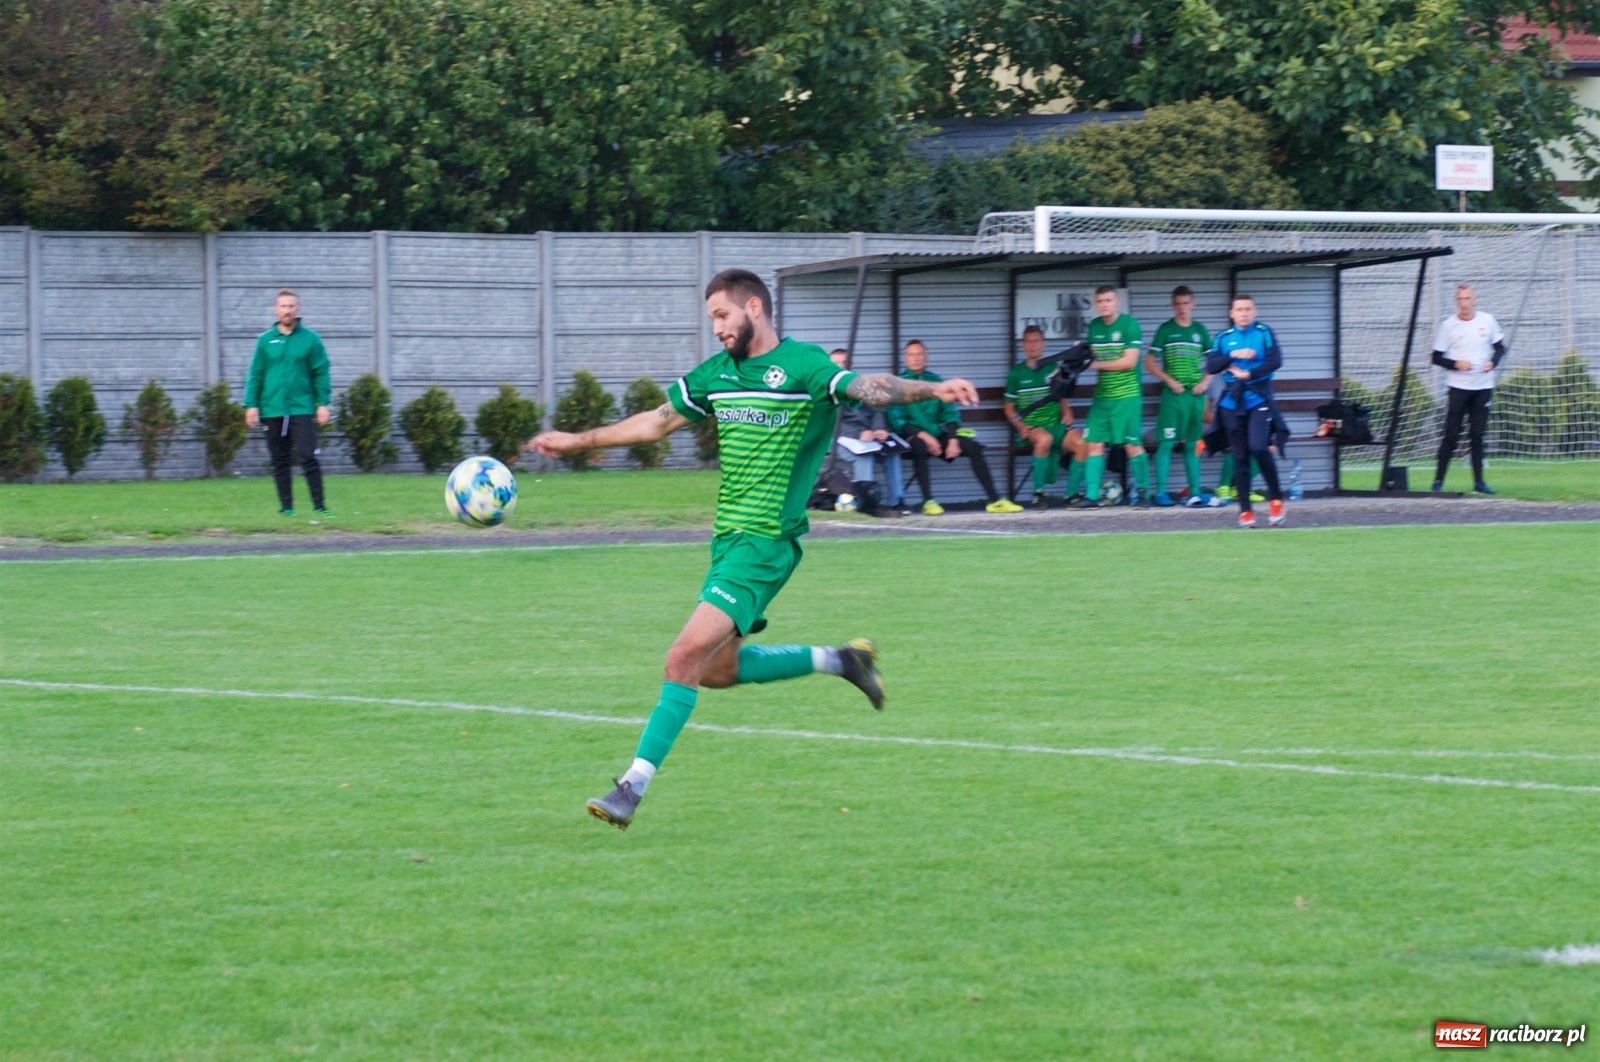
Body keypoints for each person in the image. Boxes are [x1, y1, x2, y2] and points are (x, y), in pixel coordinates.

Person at [527, 269, 982, 830]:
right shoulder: (718, 375)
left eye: (723, 315)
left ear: (755, 308)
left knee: (681, 659)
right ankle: (842, 660)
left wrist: (931, 389)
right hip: (727, 543)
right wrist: (578, 440)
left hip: (765, 543)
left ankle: (630, 788)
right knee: (717, 670)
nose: (716, 327)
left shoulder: (802, 365)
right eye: (711, 318)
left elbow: (868, 386)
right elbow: (656, 423)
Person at [887, 339, 1021, 515]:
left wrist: (952, 440)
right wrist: (925, 437)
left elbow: (950, 413)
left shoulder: (936, 381)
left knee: (973, 447)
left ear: (926, 357)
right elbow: (897, 421)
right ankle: (928, 501)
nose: (916, 358)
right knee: (919, 446)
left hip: (938, 434)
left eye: (919, 354)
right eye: (911, 354)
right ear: (905, 358)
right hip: (912, 437)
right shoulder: (898, 384)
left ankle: (995, 500)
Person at [243, 290, 331, 517]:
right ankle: (287, 508)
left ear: (297, 309)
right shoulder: (265, 341)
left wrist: (322, 402)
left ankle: (320, 507)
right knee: (279, 460)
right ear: (276, 310)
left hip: (300, 408)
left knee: (308, 456)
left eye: (291, 306)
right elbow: (256, 374)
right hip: (272, 409)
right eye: (283, 306)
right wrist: (251, 405)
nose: (287, 310)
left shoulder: (310, 339)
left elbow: (320, 372)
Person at [1204, 293, 1286, 528]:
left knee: (1259, 447)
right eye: (1239, 310)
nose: (1243, 314)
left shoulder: (1263, 332)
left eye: (1248, 309)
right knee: (1239, 456)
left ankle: (1276, 499)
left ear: (1254, 311)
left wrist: (1250, 373)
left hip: (1258, 397)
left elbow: (1276, 361)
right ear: (1232, 313)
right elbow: (1211, 365)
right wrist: (1233, 356)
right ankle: (1246, 512)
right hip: (1231, 402)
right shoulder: (1223, 337)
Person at [1075, 287, 1148, 508]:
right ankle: (1091, 496)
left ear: (1116, 302)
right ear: (1096, 304)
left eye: (1108, 300)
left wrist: (1095, 365)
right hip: (1102, 398)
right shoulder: (1095, 327)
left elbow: (1129, 362)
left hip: (1126, 397)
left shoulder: (1129, 325)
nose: (1104, 304)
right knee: (1094, 444)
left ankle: (1143, 493)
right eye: (1100, 301)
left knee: (1131, 445)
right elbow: (1088, 357)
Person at [1430, 284, 1505, 494]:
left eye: (1468, 298)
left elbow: (1500, 347)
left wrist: (1492, 362)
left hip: (1483, 387)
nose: (1464, 303)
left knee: (1477, 435)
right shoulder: (1448, 326)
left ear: (1474, 299)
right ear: (1457, 301)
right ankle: (1438, 482)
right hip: (1459, 388)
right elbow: (1436, 356)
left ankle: (1479, 483)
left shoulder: (1487, 320)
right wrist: (1455, 364)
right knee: (1451, 434)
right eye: (1460, 299)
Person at [1005, 324, 1086, 508]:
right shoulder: (1016, 373)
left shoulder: (1053, 367)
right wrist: (1020, 426)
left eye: (1037, 341)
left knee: (1082, 444)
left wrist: (1067, 412)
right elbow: (1009, 408)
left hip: (1055, 424)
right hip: (1032, 427)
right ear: (1023, 345)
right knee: (1044, 439)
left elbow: (1062, 395)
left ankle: (1071, 496)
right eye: (1029, 342)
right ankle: (1038, 494)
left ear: (1044, 344)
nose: (1033, 345)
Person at [1145, 286, 1212, 507]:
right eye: (1178, 303)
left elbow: (1214, 363)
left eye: (1186, 303)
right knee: (1165, 443)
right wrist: (1169, 380)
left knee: (1192, 444)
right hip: (1173, 396)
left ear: (1194, 304)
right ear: (1172, 305)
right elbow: (1149, 362)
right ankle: (1161, 492)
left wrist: (1204, 382)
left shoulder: (1200, 331)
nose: (1182, 308)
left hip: (1194, 396)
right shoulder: (1165, 330)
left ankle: (1194, 492)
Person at [827, 348, 904, 513]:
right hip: (837, 439)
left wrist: (879, 428)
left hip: (868, 437)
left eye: (844, 362)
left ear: (851, 364)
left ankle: (897, 503)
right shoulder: (827, 387)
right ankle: (867, 505)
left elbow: (877, 409)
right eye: (836, 363)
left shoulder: (863, 384)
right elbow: (831, 421)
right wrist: (858, 434)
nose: (841, 366)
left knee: (892, 453)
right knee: (864, 458)